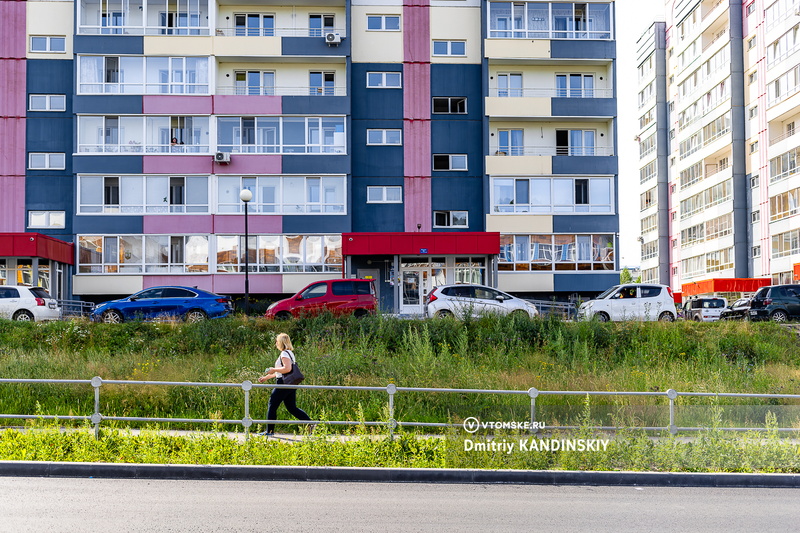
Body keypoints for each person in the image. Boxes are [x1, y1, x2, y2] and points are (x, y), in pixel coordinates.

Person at [256, 333, 312, 436]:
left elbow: (287, 369)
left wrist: (273, 369)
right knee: (291, 407)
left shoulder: (284, 354)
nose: (276, 343)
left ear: (281, 342)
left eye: (277, 341)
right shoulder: (289, 353)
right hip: (290, 383)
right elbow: (282, 372)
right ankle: (310, 424)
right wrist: (266, 377)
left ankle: (270, 431)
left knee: (272, 404)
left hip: (283, 383)